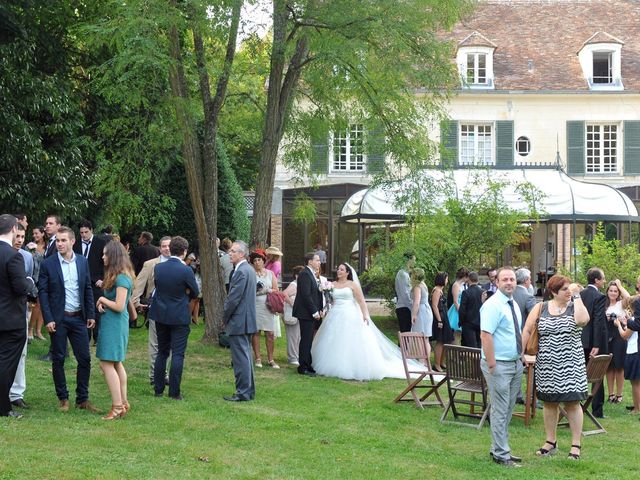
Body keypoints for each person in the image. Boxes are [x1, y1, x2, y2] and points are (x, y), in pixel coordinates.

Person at [311, 263, 424, 380]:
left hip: (349, 313)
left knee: (349, 339)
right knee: (332, 339)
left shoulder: (352, 285)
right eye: (338, 269)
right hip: (334, 314)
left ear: (347, 272)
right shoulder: (332, 285)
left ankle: (351, 365)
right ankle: (331, 363)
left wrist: (365, 315)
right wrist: (324, 310)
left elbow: (361, 301)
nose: (338, 271)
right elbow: (329, 301)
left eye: (342, 269)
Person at [522, 275, 589, 461]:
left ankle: (576, 445)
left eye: (570, 288)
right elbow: (527, 330)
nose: (568, 291)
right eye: (564, 289)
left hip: (571, 364)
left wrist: (577, 296)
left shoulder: (575, 306)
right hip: (547, 365)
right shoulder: (540, 307)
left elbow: (583, 321)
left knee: (573, 403)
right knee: (549, 403)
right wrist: (521, 352)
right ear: (553, 292)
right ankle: (550, 442)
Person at [38, 226, 100, 413]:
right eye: (57, 240)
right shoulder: (48, 264)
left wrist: (90, 314)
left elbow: (88, 288)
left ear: (73, 241)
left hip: (79, 318)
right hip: (58, 319)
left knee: (85, 359)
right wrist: (48, 318)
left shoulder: (81, 262)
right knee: (58, 359)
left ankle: (82, 399)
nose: (60, 244)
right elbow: (43, 293)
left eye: (63, 240)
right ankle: (63, 399)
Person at [480, 266, 523, 468]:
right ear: (496, 282)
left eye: (512, 279)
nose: (509, 282)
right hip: (498, 365)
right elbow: (485, 335)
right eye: (504, 279)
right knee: (500, 408)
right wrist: (491, 364)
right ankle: (500, 453)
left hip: (515, 363)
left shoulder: (512, 304)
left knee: (508, 408)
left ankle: (500, 447)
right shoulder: (493, 305)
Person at [150, 236, 199, 400]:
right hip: (178, 315)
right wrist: (184, 292)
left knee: (162, 352)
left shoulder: (159, 267)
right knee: (178, 354)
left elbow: (158, 286)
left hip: (161, 314)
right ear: (184, 252)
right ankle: (174, 392)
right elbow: (195, 292)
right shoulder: (186, 270)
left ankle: (158, 389)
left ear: (170, 249)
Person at [95, 241, 135, 420]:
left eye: (105, 254)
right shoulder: (119, 276)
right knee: (116, 362)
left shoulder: (121, 278)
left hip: (115, 324)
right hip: (113, 322)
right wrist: (102, 302)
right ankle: (123, 402)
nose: (103, 257)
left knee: (106, 363)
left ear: (114, 256)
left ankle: (117, 406)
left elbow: (119, 305)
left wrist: (102, 299)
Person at [0, 214, 35, 418]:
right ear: (14, 229)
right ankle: (3, 407)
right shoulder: (13, 256)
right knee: (6, 364)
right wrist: (29, 283)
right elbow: (21, 287)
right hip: (10, 320)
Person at [131, 236, 171, 384]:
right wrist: (136, 303)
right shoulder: (150, 264)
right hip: (155, 308)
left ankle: (164, 373)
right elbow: (139, 284)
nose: (167, 248)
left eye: (169, 246)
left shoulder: (178, 263)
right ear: (159, 248)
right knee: (155, 344)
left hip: (172, 310)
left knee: (170, 344)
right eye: (164, 246)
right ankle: (155, 376)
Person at [222, 241, 257, 402]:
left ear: (242, 254)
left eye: (233, 251)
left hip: (239, 320)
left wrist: (224, 317)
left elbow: (233, 299)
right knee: (246, 356)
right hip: (246, 319)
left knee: (240, 358)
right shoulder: (247, 269)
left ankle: (243, 392)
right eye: (230, 251)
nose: (230, 253)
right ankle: (248, 391)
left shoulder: (242, 271)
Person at [9, 224, 35, 410]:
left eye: (22, 236)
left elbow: (30, 281)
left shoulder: (27, 257)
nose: (19, 240)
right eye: (16, 236)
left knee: (21, 352)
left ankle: (16, 393)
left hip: (21, 310)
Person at [580, 267, 608, 419]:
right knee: (597, 375)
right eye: (602, 279)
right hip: (593, 343)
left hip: (579, 341)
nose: (604, 281)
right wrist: (597, 345)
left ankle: (575, 405)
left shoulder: (580, 294)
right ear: (597, 280)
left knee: (578, 373)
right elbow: (597, 321)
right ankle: (597, 410)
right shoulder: (599, 296)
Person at [73, 220, 106, 346]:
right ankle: (85, 337)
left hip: (97, 281)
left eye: (86, 232)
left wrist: (103, 279)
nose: (84, 235)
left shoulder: (101, 243)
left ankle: (97, 337)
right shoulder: (76, 244)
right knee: (84, 308)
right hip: (81, 279)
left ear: (91, 230)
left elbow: (105, 263)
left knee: (97, 309)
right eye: (81, 232)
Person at [293, 252, 324, 376]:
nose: (319, 262)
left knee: (309, 339)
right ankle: (303, 366)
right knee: (305, 339)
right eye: (317, 260)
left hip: (311, 312)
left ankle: (308, 364)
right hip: (306, 313)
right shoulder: (305, 274)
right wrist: (314, 311)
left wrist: (320, 309)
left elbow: (315, 295)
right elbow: (306, 296)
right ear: (310, 261)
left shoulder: (312, 274)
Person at [250, 249, 280, 368]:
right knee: (256, 332)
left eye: (259, 260)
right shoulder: (251, 274)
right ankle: (257, 358)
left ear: (263, 261)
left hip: (268, 306)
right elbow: (249, 292)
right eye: (255, 260)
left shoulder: (270, 273)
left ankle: (271, 359)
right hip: (255, 305)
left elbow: (276, 290)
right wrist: (265, 291)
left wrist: (270, 292)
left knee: (270, 333)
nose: (257, 262)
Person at [604, 279, 629, 404]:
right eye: (611, 290)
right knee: (609, 367)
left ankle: (619, 395)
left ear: (618, 293)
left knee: (619, 366)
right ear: (607, 291)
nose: (613, 293)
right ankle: (611, 394)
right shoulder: (603, 304)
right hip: (607, 337)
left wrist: (619, 285)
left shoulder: (621, 304)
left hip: (619, 336)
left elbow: (629, 297)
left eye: (615, 291)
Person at [614, 294, 640, 414]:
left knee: (635, 383)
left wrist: (619, 325)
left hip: (634, 352)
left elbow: (625, 336)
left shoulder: (635, 321)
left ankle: (637, 408)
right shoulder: (634, 320)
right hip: (635, 351)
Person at [431, 272, 453, 372]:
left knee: (446, 340)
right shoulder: (436, 290)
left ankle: (441, 362)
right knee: (440, 341)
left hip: (444, 317)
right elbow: (435, 306)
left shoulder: (441, 290)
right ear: (442, 279)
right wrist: (439, 320)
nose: (447, 281)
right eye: (446, 279)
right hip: (440, 318)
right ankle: (436, 364)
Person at [27, 225, 47, 341]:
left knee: (42, 305)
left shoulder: (48, 246)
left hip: (43, 278)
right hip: (33, 278)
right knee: (33, 305)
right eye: (33, 234)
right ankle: (30, 329)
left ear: (42, 234)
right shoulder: (29, 246)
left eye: (37, 233)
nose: (35, 236)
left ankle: (38, 330)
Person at [282, 266, 304, 366]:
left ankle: (297, 355)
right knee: (292, 336)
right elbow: (284, 294)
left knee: (298, 336)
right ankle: (292, 357)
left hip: (299, 314)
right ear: (296, 276)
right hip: (292, 313)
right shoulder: (294, 285)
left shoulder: (301, 285)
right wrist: (293, 305)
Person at [458, 271, 483, 348]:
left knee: (470, 346)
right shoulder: (482, 292)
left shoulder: (466, 292)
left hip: (468, 323)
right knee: (479, 345)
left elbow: (462, 309)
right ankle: (478, 359)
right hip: (480, 322)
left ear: (469, 279)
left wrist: (461, 322)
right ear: (477, 280)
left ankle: (470, 359)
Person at [410, 268, 433, 349]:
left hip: (421, 312)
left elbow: (416, 302)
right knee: (425, 339)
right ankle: (426, 361)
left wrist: (414, 315)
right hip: (427, 310)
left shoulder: (417, 287)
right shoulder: (423, 284)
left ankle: (422, 360)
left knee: (420, 338)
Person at [394, 251, 415, 333]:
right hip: (404, 308)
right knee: (405, 336)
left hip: (405, 307)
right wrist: (411, 307)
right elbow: (405, 294)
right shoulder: (402, 274)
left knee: (406, 336)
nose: (414, 262)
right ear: (408, 260)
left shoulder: (405, 274)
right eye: (413, 260)